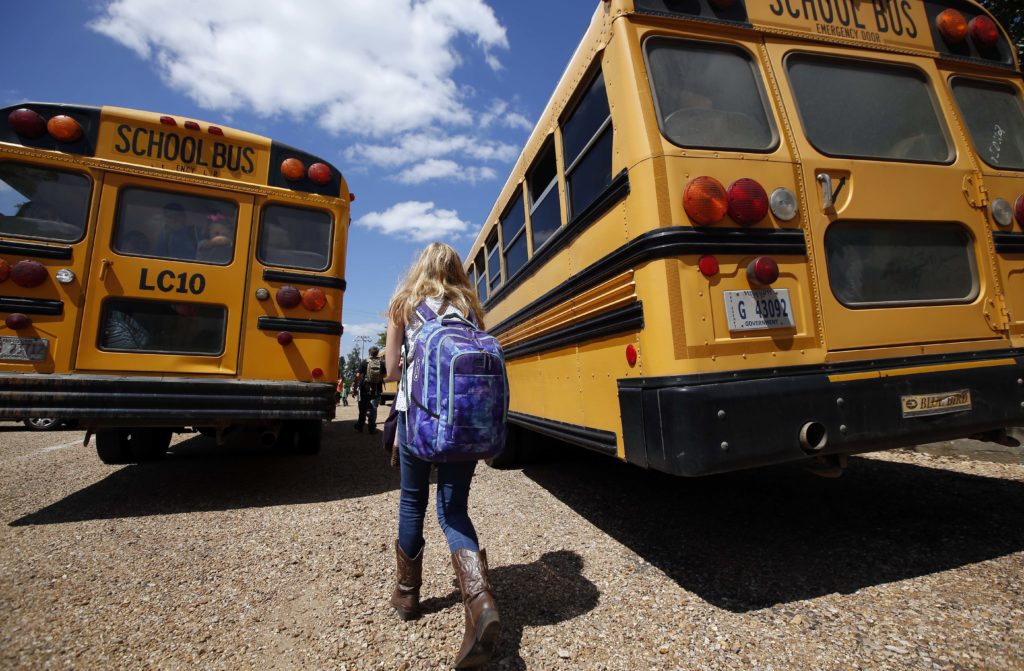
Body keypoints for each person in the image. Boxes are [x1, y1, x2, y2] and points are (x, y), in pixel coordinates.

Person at [383, 242, 499, 669]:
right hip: (464, 427)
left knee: (412, 501)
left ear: (421, 268)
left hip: (418, 422)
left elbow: (393, 370)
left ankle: (407, 595)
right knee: (454, 511)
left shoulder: (405, 303)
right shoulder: (468, 306)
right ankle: (481, 601)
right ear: (456, 270)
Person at [353, 346, 385, 433]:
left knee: (362, 408)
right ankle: (371, 428)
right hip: (376, 389)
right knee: (373, 409)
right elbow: (384, 376)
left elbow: (358, 375)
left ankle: (360, 426)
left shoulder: (364, 362)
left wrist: (355, 388)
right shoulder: (381, 363)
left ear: (369, 353)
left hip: (364, 389)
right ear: (377, 353)